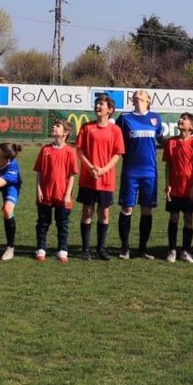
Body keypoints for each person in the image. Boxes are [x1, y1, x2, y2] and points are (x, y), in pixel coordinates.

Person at [76, 93, 124, 261]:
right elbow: (80, 150)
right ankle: (86, 249)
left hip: (106, 178)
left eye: (101, 104)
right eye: (97, 104)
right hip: (88, 178)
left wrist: (103, 170)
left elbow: (117, 154)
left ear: (109, 110)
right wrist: (90, 167)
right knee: (87, 212)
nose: (98, 107)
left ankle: (101, 249)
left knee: (104, 214)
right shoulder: (87, 127)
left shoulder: (116, 130)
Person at [116, 90, 163, 260]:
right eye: (137, 92)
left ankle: (142, 249)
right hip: (131, 171)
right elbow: (116, 141)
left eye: (143, 93)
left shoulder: (156, 118)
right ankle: (125, 248)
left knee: (146, 209)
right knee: (127, 208)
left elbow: (162, 139)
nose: (139, 93)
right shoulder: (124, 118)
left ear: (148, 100)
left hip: (150, 172)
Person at [34, 120, 78, 263]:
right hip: (45, 194)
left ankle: (62, 250)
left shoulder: (70, 151)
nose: (53, 127)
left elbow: (72, 175)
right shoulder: (45, 150)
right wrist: (39, 189)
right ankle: (41, 248)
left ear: (65, 133)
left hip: (62, 194)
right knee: (43, 223)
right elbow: (39, 172)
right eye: (53, 125)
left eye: (57, 126)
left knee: (63, 224)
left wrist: (67, 195)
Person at [162, 113, 193, 263]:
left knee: (188, 218)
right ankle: (172, 250)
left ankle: (186, 251)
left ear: (192, 127)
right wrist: (167, 184)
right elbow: (168, 165)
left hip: (189, 189)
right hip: (174, 187)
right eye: (181, 118)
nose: (181, 120)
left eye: (184, 119)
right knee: (173, 217)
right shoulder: (171, 142)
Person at [0, 143, 23, 260]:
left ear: (6, 161)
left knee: (7, 210)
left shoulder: (11, 172)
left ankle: (10, 247)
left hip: (10, 185)